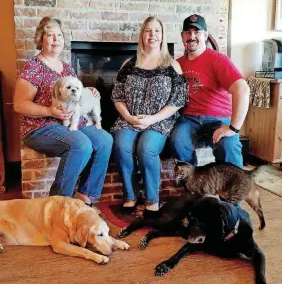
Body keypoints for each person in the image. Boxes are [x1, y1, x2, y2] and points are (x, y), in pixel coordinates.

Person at [14, 17, 113, 206]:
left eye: (59, 35)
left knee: (104, 139)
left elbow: (76, 97)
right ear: (40, 39)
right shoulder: (33, 67)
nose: (56, 39)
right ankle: (58, 203)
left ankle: (84, 197)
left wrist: (89, 92)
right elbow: (19, 104)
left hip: (69, 123)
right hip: (40, 126)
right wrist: (49, 111)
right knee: (81, 144)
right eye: (50, 35)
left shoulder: (66, 68)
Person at [111, 16, 188, 218]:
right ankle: (131, 196)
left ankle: (152, 200)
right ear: (142, 35)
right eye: (148, 31)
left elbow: (178, 101)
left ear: (162, 36)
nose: (152, 35)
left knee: (146, 148)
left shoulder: (172, 65)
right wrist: (128, 117)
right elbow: (117, 97)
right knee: (121, 145)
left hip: (160, 120)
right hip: (129, 118)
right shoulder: (128, 64)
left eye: (156, 31)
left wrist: (152, 119)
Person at [169, 14, 250, 169]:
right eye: (187, 32)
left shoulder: (218, 59)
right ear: (182, 36)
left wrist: (233, 128)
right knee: (177, 141)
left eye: (197, 32)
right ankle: (194, 186)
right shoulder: (177, 64)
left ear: (205, 35)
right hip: (189, 119)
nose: (191, 36)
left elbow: (242, 89)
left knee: (229, 146)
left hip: (218, 119)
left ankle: (234, 191)